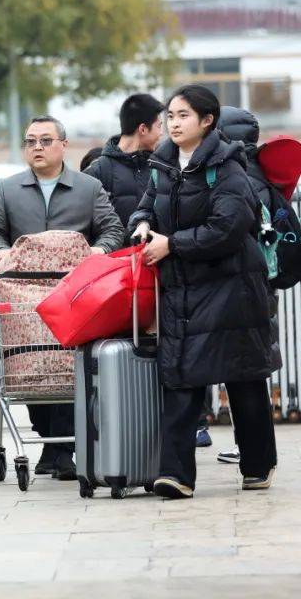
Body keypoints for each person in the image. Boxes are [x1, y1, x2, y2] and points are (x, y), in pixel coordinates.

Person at [130, 85, 278, 499]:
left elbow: (228, 229)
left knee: (243, 377)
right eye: (170, 116)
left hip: (233, 288)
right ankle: (175, 474)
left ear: (207, 121)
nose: (174, 124)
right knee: (179, 375)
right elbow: (146, 205)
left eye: (183, 116)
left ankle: (257, 464)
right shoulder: (162, 164)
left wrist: (172, 244)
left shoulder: (228, 167)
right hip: (182, 289)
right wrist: (142, 224)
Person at [0, 116, 124, 480]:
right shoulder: (9, 189)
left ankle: (59, 449)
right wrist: (2, 253)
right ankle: (51, 443)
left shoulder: (88, 188)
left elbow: (112, 228)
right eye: (30, 142)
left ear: (63, 145)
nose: (37, 148)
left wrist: (99, 250)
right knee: (30, 367)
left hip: (74, 295)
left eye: (45, 141)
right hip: (25, 299)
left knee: (65, 364)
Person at [210, 105, 294, 466]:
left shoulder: (236, 177)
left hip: (236, 286)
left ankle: (256, 455)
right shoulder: (263, 176)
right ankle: (258, 455)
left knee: (241, 373)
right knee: (249, 372)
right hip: (260, 287)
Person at [84, 93, 164, 228]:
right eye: (159, 126)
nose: (161, 133)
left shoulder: (161, 168)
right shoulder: (95, 172)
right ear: (143, 129)